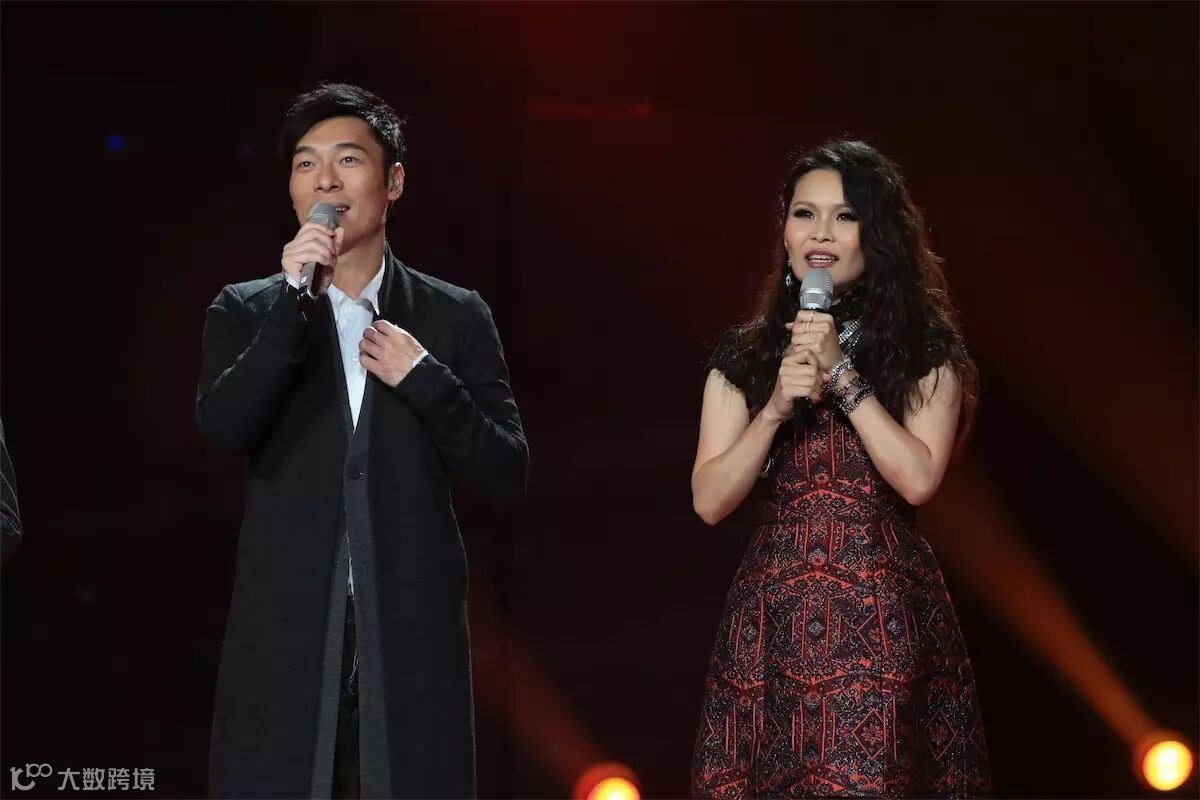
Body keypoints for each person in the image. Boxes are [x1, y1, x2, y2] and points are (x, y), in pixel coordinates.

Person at [196, 82, 528, 799]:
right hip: (286, 636)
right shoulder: (246, 310)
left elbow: (505, 471)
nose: (325, 181)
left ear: (393, 181)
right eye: (306, 164)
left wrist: (429, 381)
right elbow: (222, 426)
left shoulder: (454, 315)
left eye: (348, 160)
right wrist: (292, 306)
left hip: (407, 639)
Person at [690, 140, 991, 798]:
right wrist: (773, 410)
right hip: (772, 623)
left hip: (878, 618)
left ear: (877, 236)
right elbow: (709, 500)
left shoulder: (923, 353)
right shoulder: (746, 357)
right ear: (786, 233)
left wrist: (843, 376)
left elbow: (918, 479)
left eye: (845, 216)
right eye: (805, 214)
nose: (821, 233)